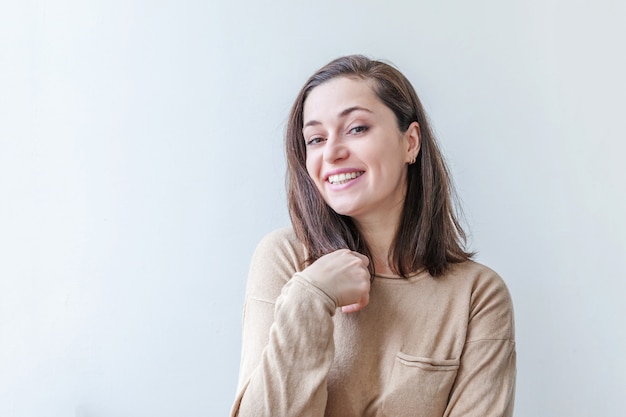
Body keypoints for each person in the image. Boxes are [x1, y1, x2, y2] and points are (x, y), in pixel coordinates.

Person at [230, 55, 516, 417]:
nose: (332, 152)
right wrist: (311, 296)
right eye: (315, 138)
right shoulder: (285, 260)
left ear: (410, 142)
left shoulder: (477, 295)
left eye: (356, 129)